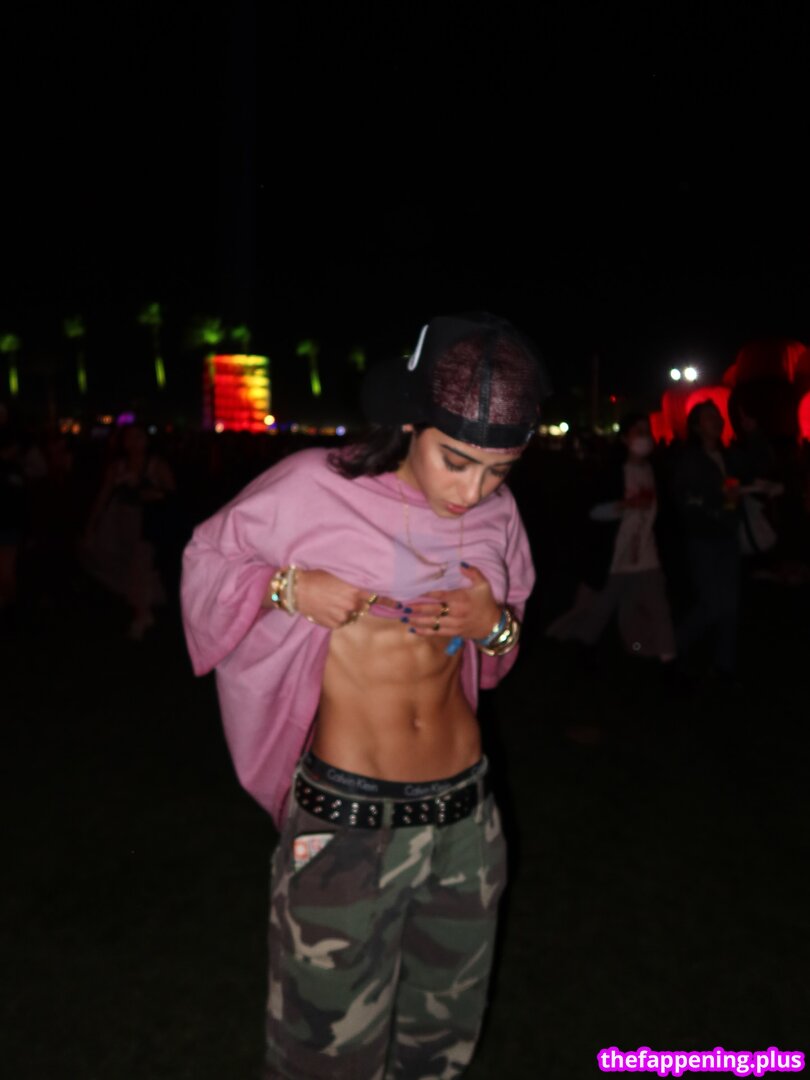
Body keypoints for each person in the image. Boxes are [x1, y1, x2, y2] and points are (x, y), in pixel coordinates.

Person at [180, 312, 549, 1079]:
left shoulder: (497, 515)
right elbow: (208, 558)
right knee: (323, 1054)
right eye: (456, 461)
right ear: (411, 422)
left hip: (464, 819)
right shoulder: (316, 485)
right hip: (347, 820)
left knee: (438, 1047)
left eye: (499, 470)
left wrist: (492, 623)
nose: (474, 490)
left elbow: (503, 645)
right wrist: (287, 587)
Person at [82, 422, 175, 639]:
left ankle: (141, 614)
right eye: (129, 438)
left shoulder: (156, 465)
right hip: (121, 520)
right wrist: (92, 524)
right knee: (125, 563)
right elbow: (103, 496)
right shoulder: (118, 466)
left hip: (148, 522)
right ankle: (142, 607)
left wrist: (149, 492)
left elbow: (171, 493)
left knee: (141, 563)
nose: (133, 443)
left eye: (138, 437)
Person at [670, 400, 742, 681]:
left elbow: (750, 472)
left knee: (730, 604)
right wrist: (718, 499)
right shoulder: (690, 460)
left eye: (718, 416)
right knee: (712, 604)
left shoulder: (727, 456)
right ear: (697, 427)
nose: (717, 421)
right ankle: (673, 646)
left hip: (727, 535)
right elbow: (685, 499)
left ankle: (725, 665)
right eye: (710, 417)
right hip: (704, 538)